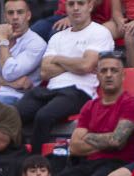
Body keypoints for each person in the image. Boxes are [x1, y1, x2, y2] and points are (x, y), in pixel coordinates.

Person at [54, 52, 134, 176]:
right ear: (97, 75)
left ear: (123, 74)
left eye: (114, 70)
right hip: (90, 163)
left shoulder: (131, 103)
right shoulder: (90, 106)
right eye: (104, 71)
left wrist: (88, 139)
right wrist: (107, 142)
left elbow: (117, 141)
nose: (109, 75)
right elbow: (74, 146)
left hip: (119, 163)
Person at [17, 0, 112, 153]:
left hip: (79, 91)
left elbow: (86, 65)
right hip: (50, 90)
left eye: (80, 3)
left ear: (90, 6)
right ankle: (16, 157)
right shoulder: (57, 37)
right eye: (71, 4)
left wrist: (58, 59)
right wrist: (76, 62)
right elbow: (45, 72)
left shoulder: (99, 32)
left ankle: (33, 162)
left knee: (43, 116)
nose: (75, 8)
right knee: (15, 114)